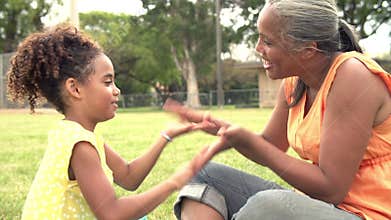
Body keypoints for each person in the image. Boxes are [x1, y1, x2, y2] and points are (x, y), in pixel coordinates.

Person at [164, 0, 391, 219]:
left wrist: (252, 144)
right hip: (321, 207)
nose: (258, 48)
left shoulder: (353, 75)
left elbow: (331, 189)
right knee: (203, 173)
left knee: (269, 206)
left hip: (366, 213)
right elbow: (270, 144)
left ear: (308, 50)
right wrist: (221, 128)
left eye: (268, 42)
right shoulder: (295, 82)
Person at [7, 23, 210, 219]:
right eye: (107, 82)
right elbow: (113, 214)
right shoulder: (80, 145)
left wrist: (167, 135)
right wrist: (175, 182)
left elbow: (128, 177)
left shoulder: (80, 135)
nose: (117, 90)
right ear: (75, 89)